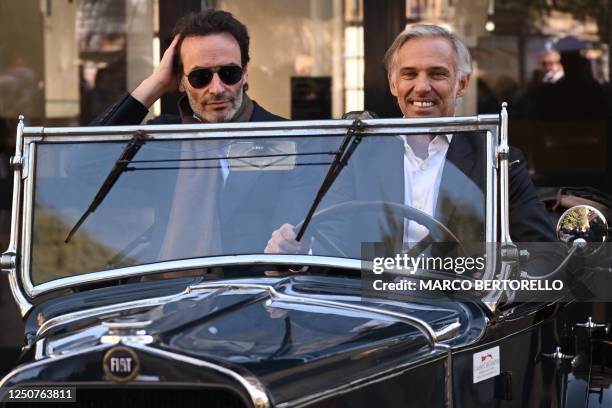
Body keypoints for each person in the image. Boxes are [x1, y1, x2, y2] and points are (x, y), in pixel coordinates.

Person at [265, 24, 558, 257]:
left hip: (464, 319)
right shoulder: (357, 157)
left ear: (461, 84)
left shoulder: (498, 160)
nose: (422, 86)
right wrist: (298, 254)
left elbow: (543, 257)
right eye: (409, 74)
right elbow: (334, 244)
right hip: (376, 317)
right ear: (394, 84)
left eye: (437, 74)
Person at [91, 9, 287, 257]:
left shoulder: (288, 138)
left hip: (253, 290)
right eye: (200, 77)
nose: (217, 89)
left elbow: (298, 237)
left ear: (245, 72)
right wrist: (155, 84)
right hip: (168, 289)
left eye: (229, 74)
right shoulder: (166, 139)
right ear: (181, 82)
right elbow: (84, 165)